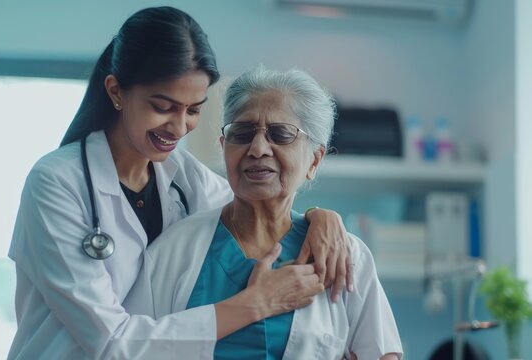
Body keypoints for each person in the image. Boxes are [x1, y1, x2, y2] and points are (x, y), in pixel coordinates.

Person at [7, 6, 353, 360]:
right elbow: (112, 344)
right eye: (163, 106)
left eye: (193, 110)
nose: (178, 126)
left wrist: (320, 217)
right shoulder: (56, 184)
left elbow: (261, 207)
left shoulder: (188, 179)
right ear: (116, 91)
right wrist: (256, 303)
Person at [128, 66, 403, 359]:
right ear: (224, 148)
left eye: (281, 134)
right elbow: (130, 349)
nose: (258, 148)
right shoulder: (175, 250)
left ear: (314, 160)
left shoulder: (346, 256)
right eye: (242, 133)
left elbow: (382, 353)